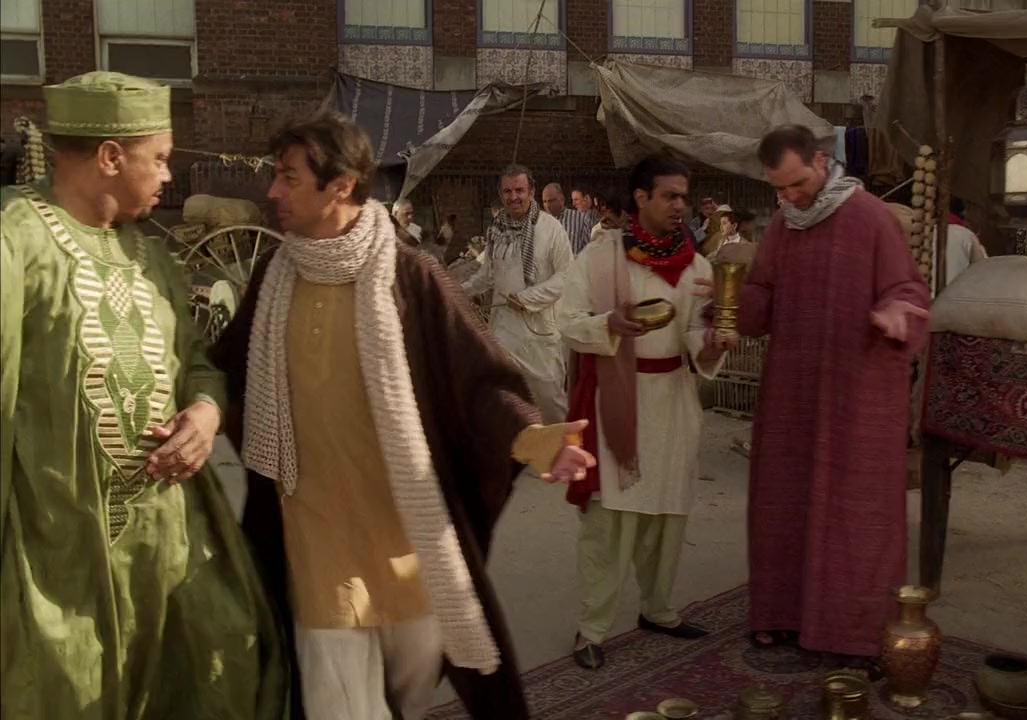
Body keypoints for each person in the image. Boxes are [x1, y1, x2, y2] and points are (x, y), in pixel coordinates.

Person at [211, 112, 595, 720]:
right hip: (317, 544)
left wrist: (535, 439)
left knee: (408, 693)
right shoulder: (272, 281)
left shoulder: (410, 277)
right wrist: (196, 409)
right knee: (338, 705)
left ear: (340, 185)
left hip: (410, 548)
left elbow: (478, 381)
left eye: (289, 177)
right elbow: (222, 372)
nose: (273, 191)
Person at [0, 71, 287, 719]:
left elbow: (196, 363)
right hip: (57, 569)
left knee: (230, 660)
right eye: (158, 158)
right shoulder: (15, 239)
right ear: (110, 157)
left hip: (169, 550)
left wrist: (206, 413)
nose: (167, 175)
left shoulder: (149, 256)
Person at [738, 125, 930, 672]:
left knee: (857, 510)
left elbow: (908, 289)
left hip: (857, 391)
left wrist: (896, 313)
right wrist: (728, 301)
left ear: (822, 162)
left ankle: (856, 632)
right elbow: (763, 293)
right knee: (783, 500)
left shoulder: (870, 217)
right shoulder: (784, 224)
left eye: (797, 183)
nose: (790, 196)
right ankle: (782, 613)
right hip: (794, 390)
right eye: (780, 189)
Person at [558, 154, 734, 670]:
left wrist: (714, 343)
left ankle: (657, 609)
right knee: (609, 525)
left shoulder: (697, 266)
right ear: (641, 197)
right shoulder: (600, 256)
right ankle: (591, 629)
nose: (681, 205)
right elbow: (566, 320)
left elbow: (697, 334)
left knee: (666, 518)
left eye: (684, 196)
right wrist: (607, 323)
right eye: (670, 196)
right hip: (617, 401)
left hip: (674, 401)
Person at [462, 166, 573, 422]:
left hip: (540, 334)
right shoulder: (496, 230)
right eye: (508, 191)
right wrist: (459, 290)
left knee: (551, 405)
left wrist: (528, 298)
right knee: (506, 404)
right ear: (501, 195)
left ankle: (562, 446)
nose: (514, 197)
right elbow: (488, 275)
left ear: (531, 192)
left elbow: (567, 276)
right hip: (504, 332)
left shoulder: (551, 228)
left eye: (519, 190)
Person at [939, 197, 987, 286]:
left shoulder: (927, 232)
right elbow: (982, 269)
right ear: (963, 213)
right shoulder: (967, 235)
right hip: (957, 291)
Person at [543, 182, 593, 255]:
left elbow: (589, 250)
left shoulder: (580, 219)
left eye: (552, 201)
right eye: (545, 201)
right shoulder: (541, 223)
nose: (548, 205)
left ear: (562, 200)